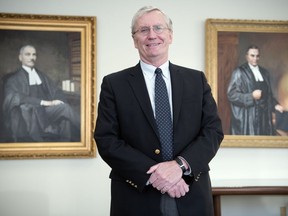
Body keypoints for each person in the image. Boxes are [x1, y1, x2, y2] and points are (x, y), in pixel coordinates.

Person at [94, 6, 223, 216]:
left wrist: (180, 166)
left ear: (170, 35)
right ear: (134, 39)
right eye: (143, 30)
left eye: (158, 28)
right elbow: (106, 139)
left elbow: (213, 132)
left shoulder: (196, 81)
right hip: (135, 196)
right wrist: (157, 175)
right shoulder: (114, 84)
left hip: (191, 194)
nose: (152, 35)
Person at [2, 45, 80, 142]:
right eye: (28, 54)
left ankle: (69, 142)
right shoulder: (13, 79)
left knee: (64, 106)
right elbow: (14, 97)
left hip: (47, 111)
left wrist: (59, 100)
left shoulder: (41, 75)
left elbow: (56, 90)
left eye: (34, 55)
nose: (31, 57)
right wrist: (43, 102)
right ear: (20, 57)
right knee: (65, 108)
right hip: (32, 114)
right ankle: (88, 130)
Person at [227, 45, 284, 135]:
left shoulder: (264, 72)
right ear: (247, 56)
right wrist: (251, 96)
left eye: (257, 56)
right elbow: (231, 95)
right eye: (252, 55)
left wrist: (275, 105)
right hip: (248, 117)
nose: (255, 58)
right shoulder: (239, 72)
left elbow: (268, 94)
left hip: (264, 118)